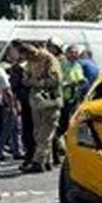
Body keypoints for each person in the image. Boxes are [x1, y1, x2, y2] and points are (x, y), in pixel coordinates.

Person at [19, 41, 61, 173]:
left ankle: (38, 161)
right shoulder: (30, 61)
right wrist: (27, 80)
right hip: (36, 101)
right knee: (38, 133)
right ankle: (46, 161)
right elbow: (25, 77)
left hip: (50, 100)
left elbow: (55, 80)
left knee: (45, 133)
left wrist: (36, 82)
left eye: (31, 53)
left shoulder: (49, 59)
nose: (30, 58)